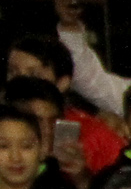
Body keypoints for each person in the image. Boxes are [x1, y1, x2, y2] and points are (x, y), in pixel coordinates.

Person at [5, 40, 121, 177]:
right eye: (13, 72)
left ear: (62, 83)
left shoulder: (95, 135)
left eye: (34, 74)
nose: (21, 81)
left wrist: (81, 178)